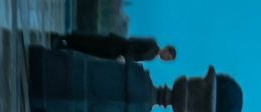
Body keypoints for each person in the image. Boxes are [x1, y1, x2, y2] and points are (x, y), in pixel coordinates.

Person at [49, 33, 177, 62]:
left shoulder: (151, 57)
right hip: (116, 45)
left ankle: (64, 45)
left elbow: (134, 58)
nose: (166, 59)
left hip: (115, 54)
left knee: (89, 49)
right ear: (166, 49)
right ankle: (62, 38)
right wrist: (125, 57)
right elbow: (132, 42)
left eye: (168, 59)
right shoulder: (152, 44)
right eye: (168, 57)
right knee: (89, 41)